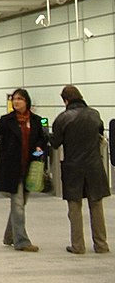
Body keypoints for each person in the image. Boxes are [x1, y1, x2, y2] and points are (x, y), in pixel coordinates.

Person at [0, 88, 48, 252]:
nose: (16, 102)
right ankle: (22, 241)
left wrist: (38, 152)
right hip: (12, 168)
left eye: (20, 99)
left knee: (21, 204)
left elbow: (42, 140)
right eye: (14, 99)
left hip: (29, 168)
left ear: (27, 102)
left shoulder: (36, 120)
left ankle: (9, 236)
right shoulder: (6, 120)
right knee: (18, 205)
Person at [51, 85, 110, 255]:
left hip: (73, 167)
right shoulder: (95, 114)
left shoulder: (63, 118)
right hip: (94, 166)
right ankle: (101, 245)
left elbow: (55, 143)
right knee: (96, 205)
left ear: (66, 100)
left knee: (75, 207)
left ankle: (78, 246)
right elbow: (99, 133)